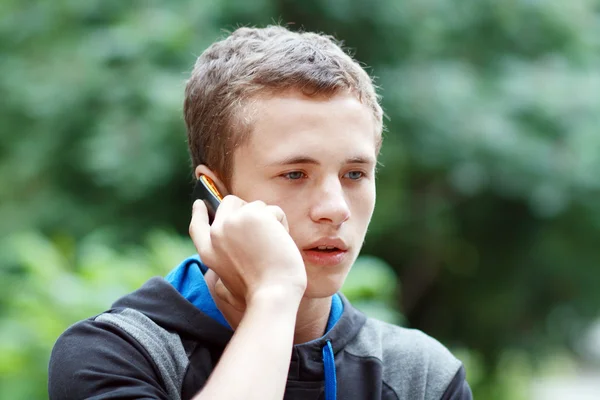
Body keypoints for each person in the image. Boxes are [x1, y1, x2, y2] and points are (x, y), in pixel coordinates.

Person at [48, 25, 472, 400]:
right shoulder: (112, 355)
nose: (336, 209)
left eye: (355, 173)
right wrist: (274, 294)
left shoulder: (424, 378)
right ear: (215, 191)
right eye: (294, 174)